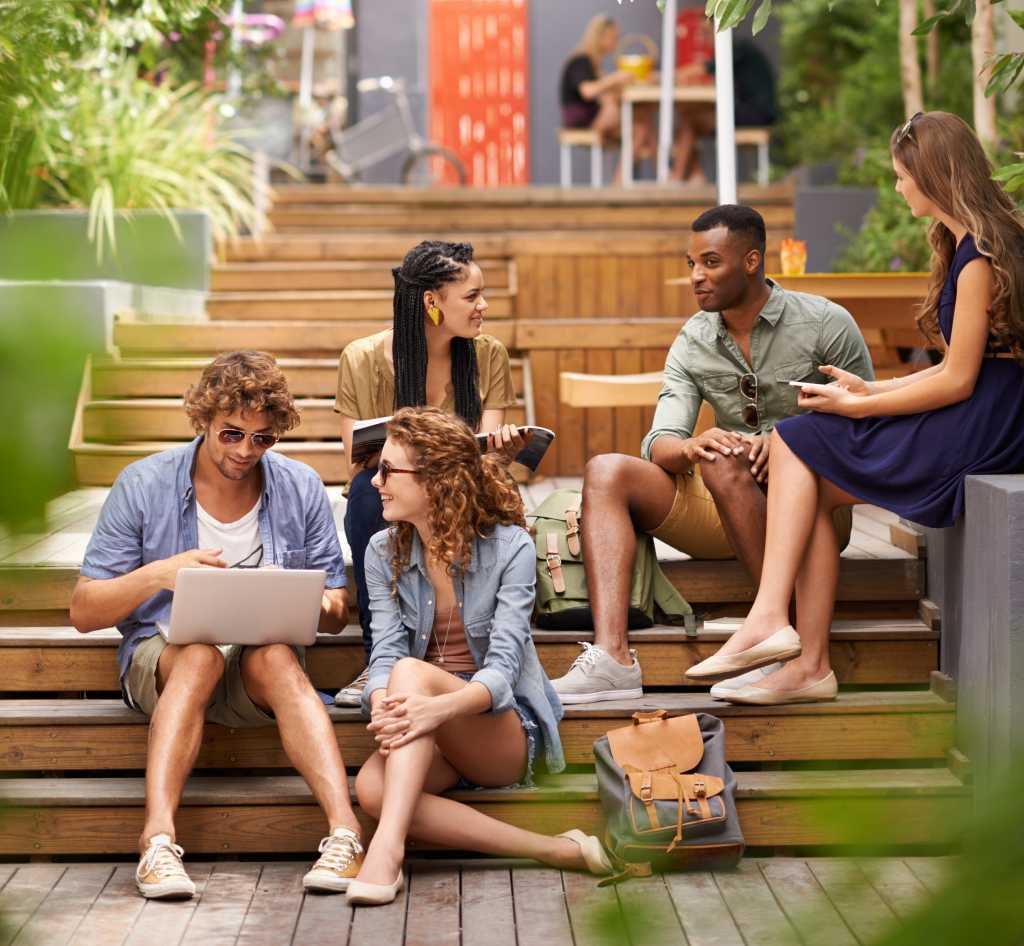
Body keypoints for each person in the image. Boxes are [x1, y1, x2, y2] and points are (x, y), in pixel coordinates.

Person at [687, 111, 1024, 704]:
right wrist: (870, 390)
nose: (898, 188)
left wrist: (860, 409)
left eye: (901, 176)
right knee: (808, 470)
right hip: (981, 406)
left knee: (796, 436)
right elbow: (950, 369)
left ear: (934, 175)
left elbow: (961, 381)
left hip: (986, 421)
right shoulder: (965, 244)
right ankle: (807, 664)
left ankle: (772, 622)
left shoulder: (981, 259)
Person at [550, 204, 874, 704]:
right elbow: (659, 442)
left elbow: (867, 424)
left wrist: (791, 437)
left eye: (710, 263)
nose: (696, 278)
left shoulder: (826, 323)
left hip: (814, 512)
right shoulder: (694, 339)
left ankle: (784, 645)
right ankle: (612, 658)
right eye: (691, 265)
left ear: (751, 261)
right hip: (723, 506)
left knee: (737, 463)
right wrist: (689, 446)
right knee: (609, 470)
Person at [70, 351, 364, 899]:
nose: (245, 451)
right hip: (164, 659)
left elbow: (337, 605)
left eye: (262, 439)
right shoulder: (144, 483)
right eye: (231, 434)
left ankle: (345, 834)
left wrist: (322, 605)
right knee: (199, 652)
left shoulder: (299, 486)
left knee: (276, 654)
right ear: (202, 419)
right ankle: (157, 843)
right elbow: (84, 610)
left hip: (260, 667)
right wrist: (160, 573)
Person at [347, 408, 612, 905]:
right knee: (372, 791)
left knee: (409, 673)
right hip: (427, 726)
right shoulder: (383, 550)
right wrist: (381, 698)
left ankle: (385, 852)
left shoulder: (509, 546)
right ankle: (553, 850)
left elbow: (504, 670)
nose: (374, 482)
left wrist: (432, 707)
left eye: (387, 471)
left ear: (434, 481)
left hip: (499, 728)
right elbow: (383, 650)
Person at [334, 241, 521, 708]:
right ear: (432, 302)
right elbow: (359, 457)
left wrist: (502, 451)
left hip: (465, 491)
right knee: (363, 491)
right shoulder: (363, 357)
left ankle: (488, 651)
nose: (484, 306)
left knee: (505, 486)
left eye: (483, 294)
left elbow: (486, 461)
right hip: (397, 487)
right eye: (472, 296)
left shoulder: (488, 354)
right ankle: (379, 657)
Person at [671, 31, 777, 184]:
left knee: (690, 120)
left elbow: (701, 69)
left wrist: (669, 77)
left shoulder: (735, 47)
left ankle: (679, 176)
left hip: (757, 113)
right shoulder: (740, 48)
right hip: (752, 110)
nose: (702, 38)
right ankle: (693, 174)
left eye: (705, 33)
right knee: (689, 120)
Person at [559, 14, 655, 176]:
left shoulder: (593, 62)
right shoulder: (582, 60)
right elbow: (587, 91)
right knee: (639, 123)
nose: (615, 42)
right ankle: (662, 169)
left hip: (592, 116)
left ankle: (634, 176)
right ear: (601, 37)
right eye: (614, 37)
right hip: (582, 119)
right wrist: (615, 78)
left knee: (641, 123)